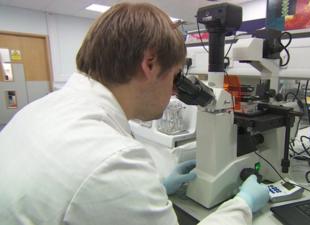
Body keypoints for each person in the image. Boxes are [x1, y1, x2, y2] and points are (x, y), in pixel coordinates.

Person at [0, 2, 269, 225]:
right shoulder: (113, 161)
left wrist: (157, 189)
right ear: (150, 64)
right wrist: (243, 206)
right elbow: (100, 182)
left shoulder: (36, 110)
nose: (175, 92)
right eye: (175, 77)